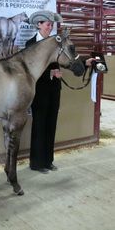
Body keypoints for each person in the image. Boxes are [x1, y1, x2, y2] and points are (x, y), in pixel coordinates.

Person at [26, 10, 94, 174]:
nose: (50, 27)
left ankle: (48, 161)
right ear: (39, 25)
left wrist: (85, 63)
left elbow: (67, 61)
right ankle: (36, 163)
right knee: (39, 125)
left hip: (54, 89)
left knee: (51, 124)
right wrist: (50, 73)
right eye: (47, 24)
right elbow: (30, 69)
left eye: (51, 25)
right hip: (39, 91)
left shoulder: (56, 42)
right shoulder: (31, 44)